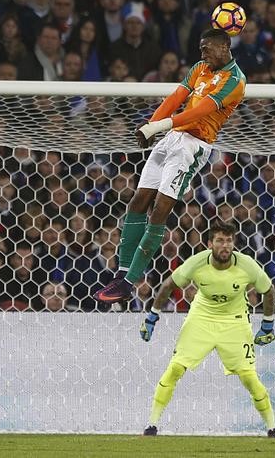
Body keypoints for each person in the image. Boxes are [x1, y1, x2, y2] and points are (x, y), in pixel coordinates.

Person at [94, 28, 246, 304]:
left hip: (194, 146)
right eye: (201, 48)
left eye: (206, 48)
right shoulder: (200, 68)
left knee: (161, 208)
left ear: (224, 47)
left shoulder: (235, 80)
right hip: (173, 137)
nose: (201, 54)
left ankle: (131, 281)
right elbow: (176, 98)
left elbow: (201, 111)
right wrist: (151, 124)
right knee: (139, 200)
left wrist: (160, 125)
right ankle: (122, 273)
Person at [138, 221, 275, 438]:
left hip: (235, 321)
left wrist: (267, 325)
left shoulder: (247, 264)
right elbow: (168, 285)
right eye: (220, 241)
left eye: (229, 241)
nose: (225, 246)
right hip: (201, 318)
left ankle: (273, 428)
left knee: (249, 377)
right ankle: (152, 425)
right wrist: (152, 317)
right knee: (176, 368)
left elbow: (268, 290)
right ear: (210, 244)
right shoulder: (197, 263)